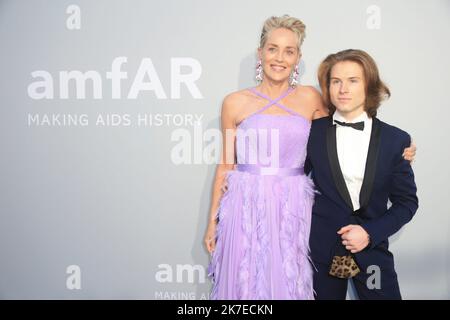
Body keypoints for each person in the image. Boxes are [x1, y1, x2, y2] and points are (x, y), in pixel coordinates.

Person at [306, 49, 419, 299]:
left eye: (352, 80)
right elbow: (290, 180)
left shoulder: (396, 140)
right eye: (336, 81)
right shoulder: (311, 133)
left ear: (369, 85)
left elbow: (407, 203)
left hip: (372, 253)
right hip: (322, 255)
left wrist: (370, 233)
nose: (343, 89)